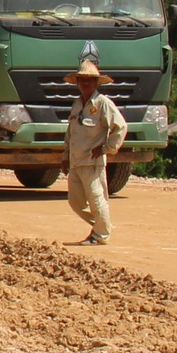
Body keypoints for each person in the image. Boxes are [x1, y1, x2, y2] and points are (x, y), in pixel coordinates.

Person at [63, 58, 130, 245]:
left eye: (89, 80)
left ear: (96, 83)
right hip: (76, 161)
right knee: (75, 202)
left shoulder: (103, 103)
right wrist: (64, 156)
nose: (85, 83)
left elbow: (121, 127)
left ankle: (100, 235)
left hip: (93, 161)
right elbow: (70, 133)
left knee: (96, 198)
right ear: (77, 82)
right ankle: (102, 225)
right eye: (82, 80)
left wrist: (106, 149)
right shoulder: (77, 104)